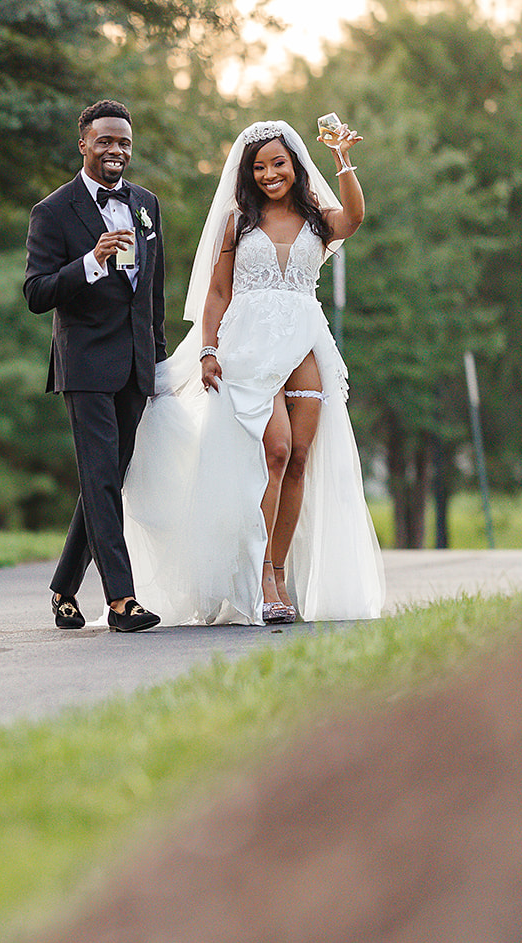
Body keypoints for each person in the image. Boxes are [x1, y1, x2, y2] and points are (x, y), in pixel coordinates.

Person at [122, 119, 384, 625]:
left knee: (302, 456)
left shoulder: (317, 220)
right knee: (276, 451)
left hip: (304, 342)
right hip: (248, 348)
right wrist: (207, 349)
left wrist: (343, 158)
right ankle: (260, 575)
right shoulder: (237, 222)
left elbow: (354, 216)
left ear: (295, 165)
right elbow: (217, 293)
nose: (269, 174)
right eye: (259, 167)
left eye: (278, 164)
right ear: (248, 173)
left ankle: (281, 574)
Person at [26, 99, 169, 633]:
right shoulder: (53, 211)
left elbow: (153, 290)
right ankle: (121, 601)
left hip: (135, 364)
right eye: (106, 141)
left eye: (124, 143)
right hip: (84, 365)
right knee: (102, 479)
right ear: (83, 144)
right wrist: (91, 262)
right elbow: (37, 293)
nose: (117, 151)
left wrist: (157, 361)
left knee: (106, 480)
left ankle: (65, 586)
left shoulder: (147, 204)